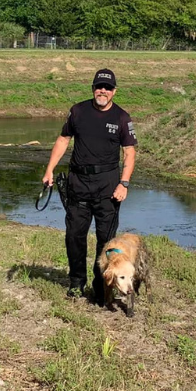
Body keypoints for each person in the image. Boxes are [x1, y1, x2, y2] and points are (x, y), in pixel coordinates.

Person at [42, 68, 137, 303]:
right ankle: (76, 284)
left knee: (106, 242)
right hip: (78, 184)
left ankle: (99, 287)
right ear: (93, 88)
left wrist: (124, 183)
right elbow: (63, 139)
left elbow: (129, 153)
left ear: (114, 91)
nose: (102, 91)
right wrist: (49, 168)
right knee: (75, 236)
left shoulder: (122, 118)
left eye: (107, 87)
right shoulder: (78, 111)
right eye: (98, 86)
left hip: (108, 188)